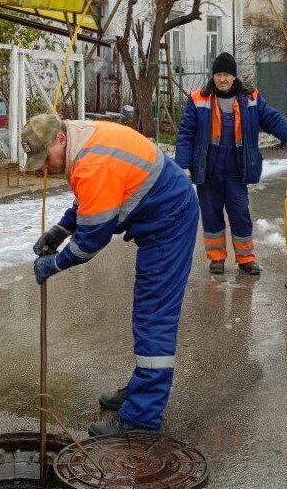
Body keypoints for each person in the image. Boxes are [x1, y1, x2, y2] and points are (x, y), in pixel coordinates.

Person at [22, 113, 199, 437]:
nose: (45, 167)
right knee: (147, 316)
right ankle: (142, 389)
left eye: (45, 158)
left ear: (59, 139)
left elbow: (92, 239)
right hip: (163, 213)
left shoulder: (91, 162)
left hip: (170, 223)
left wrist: (55, 264)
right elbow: (92, 199)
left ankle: (141, 418)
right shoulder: (82, 141)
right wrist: (61, 229)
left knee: (153, 317)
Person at [175, 52, 287, 276]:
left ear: (234, 76)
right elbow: (186, 133)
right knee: (211, 215)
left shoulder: (250, 97)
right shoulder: (198, 98)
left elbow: (272, 119)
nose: (222, 79)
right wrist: (182, 164)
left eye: (226, 74)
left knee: (240, 213)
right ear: (213, 76)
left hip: (237, 167)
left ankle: (246, 259)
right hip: (208, 168)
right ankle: (216, 259)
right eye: (218, 74)